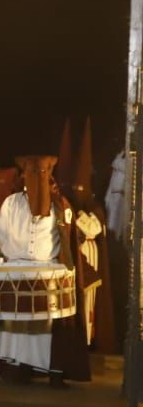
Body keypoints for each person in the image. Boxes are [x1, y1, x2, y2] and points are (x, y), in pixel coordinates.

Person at [0, 154, 88, 386]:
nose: (37, 179)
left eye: (42, 174)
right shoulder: (11, 203)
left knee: (44, 323)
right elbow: (2, 236)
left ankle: (49, 368)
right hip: (16, 270)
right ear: (24, 176)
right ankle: (16, 367)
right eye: (33, 174)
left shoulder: (60, 205)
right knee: (16, 321)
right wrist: (18, 257)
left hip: (48, 274)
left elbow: (67, 242)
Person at [65, 120, 116, 354]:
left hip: (91, 259)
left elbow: (92, 230)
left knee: (89, 303)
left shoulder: (94, 209)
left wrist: (79, 215)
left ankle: (88, 340)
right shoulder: (68, 207)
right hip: (75, 260)